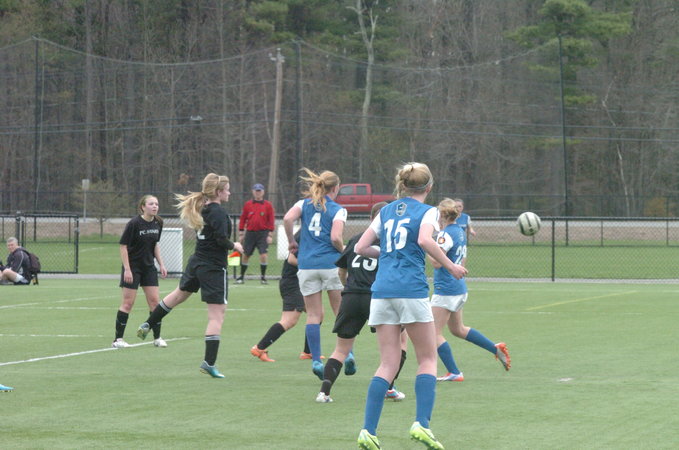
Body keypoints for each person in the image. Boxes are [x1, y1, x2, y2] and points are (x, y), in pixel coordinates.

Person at [354, 162, 467, 450]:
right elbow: (424, 239)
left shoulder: (386, 211)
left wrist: (388, 253)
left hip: (381, 292)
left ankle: (368, 430)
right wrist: (451, 265)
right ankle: (422, 424)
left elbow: (360, 247)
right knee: (427, 358)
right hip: (411, 289)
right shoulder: (428, 211)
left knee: (387, 363)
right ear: (429, 187)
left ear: (403, 185)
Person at [136, 173, 244, 378]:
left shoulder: (201, 208)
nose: (229, 193)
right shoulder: (219, 213)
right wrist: (235, 245)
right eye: (227, 189)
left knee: (178, 295)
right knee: (217, 315)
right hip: (213, 267)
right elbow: (221, 239)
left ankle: (148, 323)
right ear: (218, 192)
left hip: (197, 262)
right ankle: (209, 363)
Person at [315, 201, 408, 403]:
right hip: (378, 298)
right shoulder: (391, 242)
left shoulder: (357, 239)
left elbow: (342, 271)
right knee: (399, 343)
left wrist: (347, 287)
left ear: (371, 218)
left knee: (341, 349)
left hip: (351, 296)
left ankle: (324, 392)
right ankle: (388, 387)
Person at [430, 198, 510, 383]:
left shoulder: (444, 235)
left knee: (433, 333)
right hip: (458, 287)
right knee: (458, 329)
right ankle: (495, 348)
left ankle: (454, 372)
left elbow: (435, 262)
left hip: (446, 289)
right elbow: (463, 261)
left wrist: (425, 246)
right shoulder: (459, 231)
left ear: (442, 216)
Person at [283, 168, 346, 380]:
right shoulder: (338, 210)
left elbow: (287, 219)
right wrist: (344, 252)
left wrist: (292, 241)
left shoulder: (304, 204)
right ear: (335, 188)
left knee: (313, 315)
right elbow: (336, 238)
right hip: (330, 265)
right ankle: (348, 354)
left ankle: (316, 359)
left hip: (307, 265)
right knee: (339, 312)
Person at [112, 195, 168, 349]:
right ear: (143, 207)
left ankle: (157, 338)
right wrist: (127, 269)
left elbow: (155, 245)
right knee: (127, 303)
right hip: (133, 268)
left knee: (155, 303)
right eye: (151, 204)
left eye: (156, 204)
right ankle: (118, 340)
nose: (155, 206)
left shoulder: (158, 222)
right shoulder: (134, 223)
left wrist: (162, 264)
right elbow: (123, 246)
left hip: (149, 268)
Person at [250, 231, 310, 362]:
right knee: (289, 320)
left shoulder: (314, 231)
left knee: (317, 313)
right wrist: (313, 266)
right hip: (292, 283)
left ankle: (308, 352)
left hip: (301, 282)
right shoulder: (304, 234)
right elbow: (292, 259)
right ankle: (259, 348)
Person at [237, 183, 275, 285]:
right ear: (253, 192)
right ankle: (241, 277)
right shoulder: (248, 204)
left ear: (263, 192)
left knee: (263, 255)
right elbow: (243, 219)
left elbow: (271, 220)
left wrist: (270, 234)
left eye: (259, 191)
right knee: (246, 254)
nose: (258, 193)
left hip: (263, 233)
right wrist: (241, 233)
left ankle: (263, 277)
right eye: (256, 191)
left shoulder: (268, 205)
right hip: (250, 233)